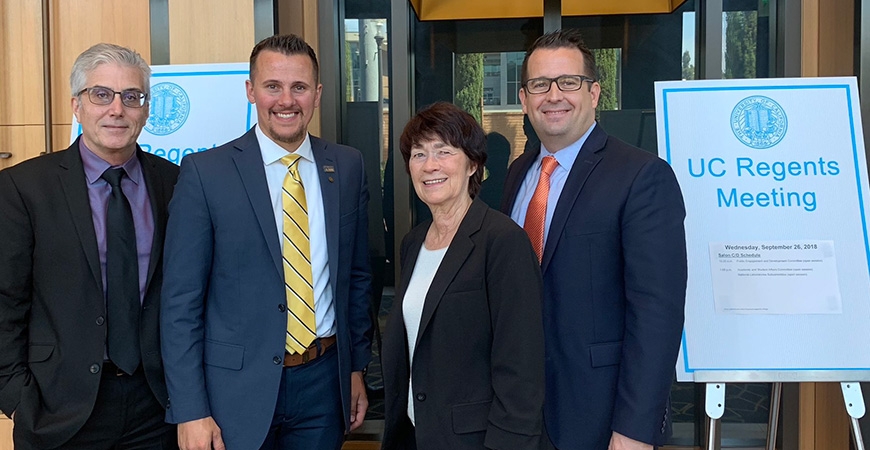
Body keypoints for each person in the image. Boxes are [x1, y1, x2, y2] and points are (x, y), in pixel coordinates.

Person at [160, 34, 372, 450]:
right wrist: (189, 409)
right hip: (232, 394)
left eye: (299, 87)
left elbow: (357, 277)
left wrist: (356, 368)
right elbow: (180, 304)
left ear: (317, 94)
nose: (286, 100)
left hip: (323, 384)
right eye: (272, 86)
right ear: (250, 90)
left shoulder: (346, 166)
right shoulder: (206, 173)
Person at [501, 29, 688, 450]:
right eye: (539, 84)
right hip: (520, 414)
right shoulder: (518, 174)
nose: (554, 95)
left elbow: (657, 313)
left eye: (569, 82)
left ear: (595, 93)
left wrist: (635, 429)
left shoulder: (641, 176)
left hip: (600, 418)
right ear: (524, 97)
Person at [0, 43, 179, 449]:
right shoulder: (23, 188)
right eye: (101, 94)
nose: (117, 109)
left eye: (132, 97)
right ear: (76, 105)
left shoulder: (176, 183)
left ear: (146, 109)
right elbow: (5, 301)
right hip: (57, 408)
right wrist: (15, 397)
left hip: (157, 407)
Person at [382, 101, 545, 450]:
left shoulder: (502, 241)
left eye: (444, 151)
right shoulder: (413, 243)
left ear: (473, 164)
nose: (430, 165)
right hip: (415, 435)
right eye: (418, 154)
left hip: (476, 441)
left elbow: (521, 368)